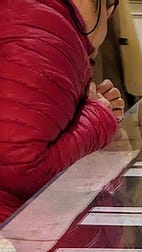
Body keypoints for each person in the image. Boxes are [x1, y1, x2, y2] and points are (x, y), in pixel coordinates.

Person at [0, 0, 125, 224]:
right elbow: (22, 169)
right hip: (21, 233)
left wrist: (91, 109)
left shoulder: (38, 21)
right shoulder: (45, 34)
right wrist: (98, 118)